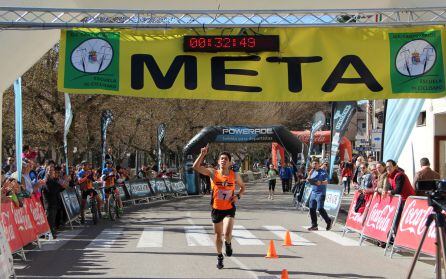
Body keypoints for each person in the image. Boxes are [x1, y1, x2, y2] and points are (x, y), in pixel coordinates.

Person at [193, 145, 246, 270]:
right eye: (221, 159)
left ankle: (228, 244)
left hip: (229, 208)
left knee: (227, 234)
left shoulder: (234, 175)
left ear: (229, 162)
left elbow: (243, 187)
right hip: (216, 208)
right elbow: (195, 167)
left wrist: (238, 196)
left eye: (226, 159)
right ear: (218, 161)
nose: (223, 160)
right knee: (217, 235)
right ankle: (219, 256)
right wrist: (202, 154)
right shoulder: (213, 172)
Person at [307, 158, 332, 231]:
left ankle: (328, 221)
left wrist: (320, 182)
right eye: (313, 164)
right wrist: (309, 175)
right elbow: (307, 180)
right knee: (311, 209)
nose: (314, 165)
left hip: (321, 193)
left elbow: (327, 181)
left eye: (316, 163)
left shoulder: (323, 172)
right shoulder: (312, 172)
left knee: (320, 208)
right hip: (313, 192)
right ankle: (314, 225)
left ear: (319, 164)